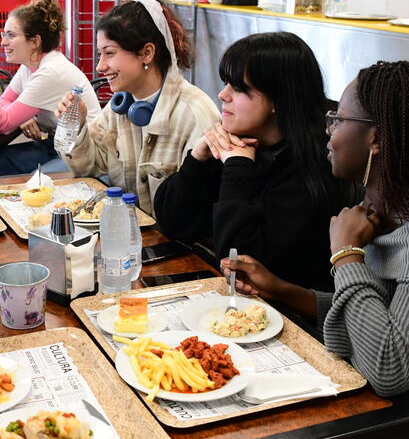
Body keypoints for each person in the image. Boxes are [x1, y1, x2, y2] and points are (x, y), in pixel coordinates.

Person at [221, 61, 409, 439]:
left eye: (339, 119)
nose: (328, 132)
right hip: (385, 401)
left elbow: (389, 367)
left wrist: (347, 255)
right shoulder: (394, 208)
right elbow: (379, 318)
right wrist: (282, 290)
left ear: (377, 138)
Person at [153, 32, 359, 292]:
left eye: (239, 88)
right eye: (226, 83)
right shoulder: (244, 138)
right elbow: (173, 223)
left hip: (296, 317)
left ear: (278, 98)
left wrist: (238, 168)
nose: (222, 94)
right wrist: (198, 159)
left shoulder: (318, 161)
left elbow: (240, 266)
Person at [55, 0, 219, 215]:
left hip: (177, 243)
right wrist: (78, 124)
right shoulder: (120, 106)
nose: (100, 67)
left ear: (146, 53)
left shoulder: (194, 113)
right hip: (130, 231)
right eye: (99, 55)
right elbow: (88, 167)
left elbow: (198, 208)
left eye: (110, 53)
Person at [0, 0, 100, 177]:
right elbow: (4, 103)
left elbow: (2, 124)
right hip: (57, 145)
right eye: (3, 35)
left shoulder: (49, 71)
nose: (3, 42)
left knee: (35, 184)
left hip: (86, 153)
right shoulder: (29, 66)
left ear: (35, 41)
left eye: (11, 35)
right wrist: (20, 115)